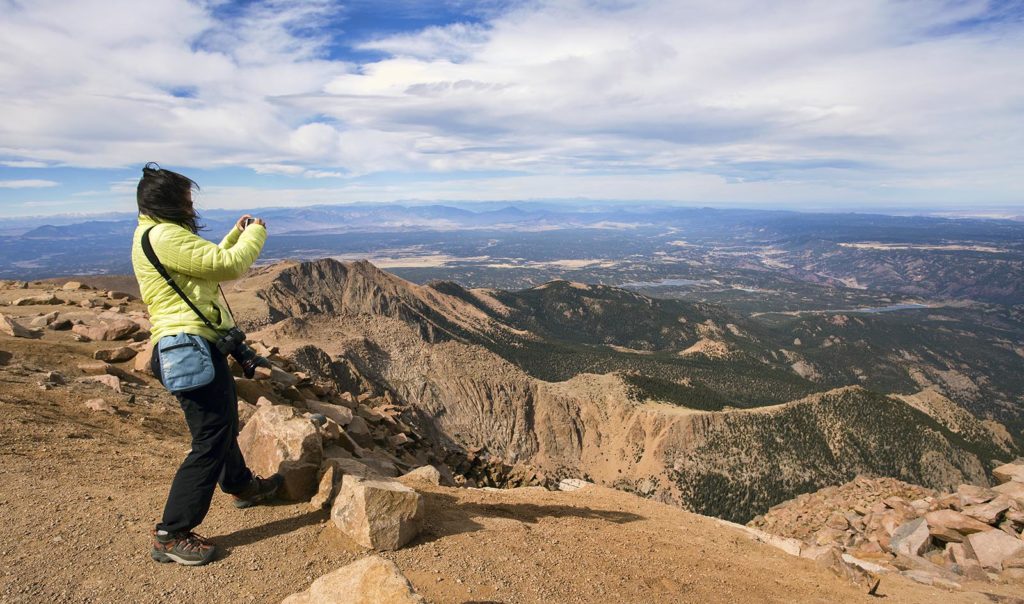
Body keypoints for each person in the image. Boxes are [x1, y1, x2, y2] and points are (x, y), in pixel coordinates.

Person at [131, 162, 282, 566]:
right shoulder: (163, 235)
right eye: (186, 198)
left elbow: (205, 262)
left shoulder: (158, 233)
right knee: (210, 438)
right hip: (186, 346)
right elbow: (228, 266)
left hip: (195, 345)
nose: (191, 204)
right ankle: (171, 532)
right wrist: (256, 234)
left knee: (221, 424)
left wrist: (234, 234)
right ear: (170, 202)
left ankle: (241, 485)